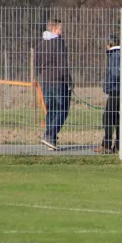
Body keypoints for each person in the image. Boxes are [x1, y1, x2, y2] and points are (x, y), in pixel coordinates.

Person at [35, 19, 72, 151]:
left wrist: (41, 75)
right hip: (58, 80)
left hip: (45, 81)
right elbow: (63, 63)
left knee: (51, 110)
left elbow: (36, 63)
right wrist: (68, 80)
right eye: (61, 29)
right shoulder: (59, 43)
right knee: (63, 109)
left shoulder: (41, 43)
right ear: (55, 29)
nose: (62, 32)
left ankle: (51, 140)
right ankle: (50, 135)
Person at [94, 34, 122, 154]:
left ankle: (107, 145)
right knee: (116, 117)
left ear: (109, 45)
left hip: (116, 90)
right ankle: (119, 145)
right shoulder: (119, 54)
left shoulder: (115, 55)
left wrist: (108, 85)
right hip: (120, 89)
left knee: (108, 116)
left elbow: (115, 73)